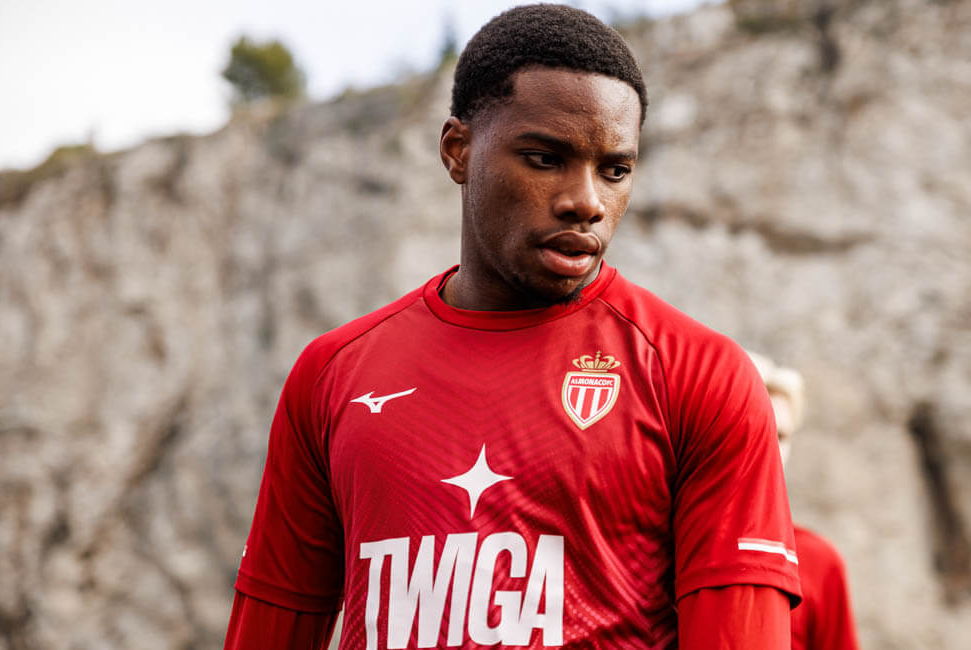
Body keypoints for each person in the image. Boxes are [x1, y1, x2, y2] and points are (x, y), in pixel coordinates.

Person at [224, 5, 801, 648]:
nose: (587, 201)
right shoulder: (332, 374)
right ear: (458, 150)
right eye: (545, 158)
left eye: (615, 170)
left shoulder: (700, 376)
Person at [747, 352, 861, 650]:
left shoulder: (819, 562)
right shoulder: (674, 546)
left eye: (781, 436)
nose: (771, 448)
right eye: (757, 427)